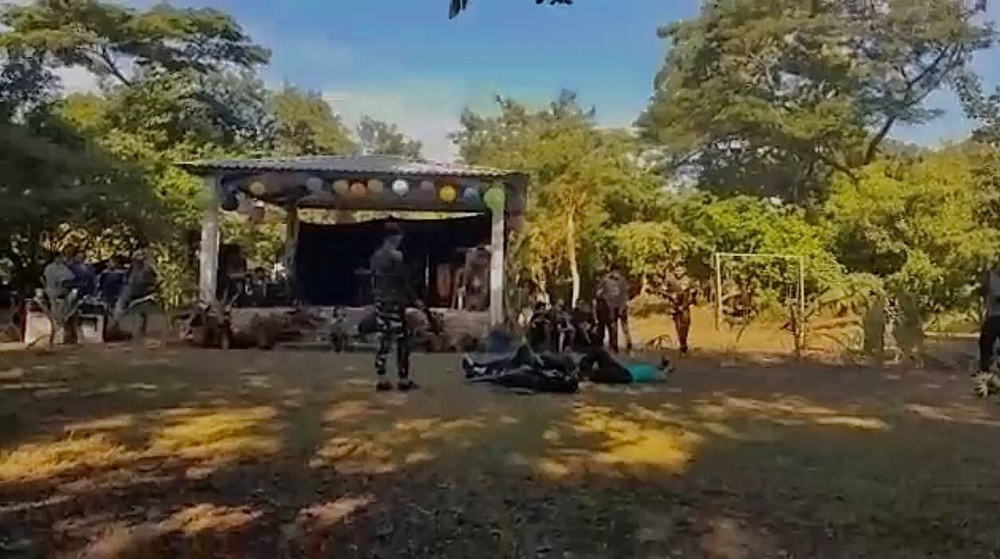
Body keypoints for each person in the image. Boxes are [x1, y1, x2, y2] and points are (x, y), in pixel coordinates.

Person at [370, 222, 420, 392]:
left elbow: (374, 281)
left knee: (383, 339)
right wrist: (415, 299)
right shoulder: (396, 256)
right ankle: (403, 379)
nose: (400, 240)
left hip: (380, 301)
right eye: (399, 237)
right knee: (402, 340)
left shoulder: (375, 257)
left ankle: (382, 377)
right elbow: (402, 281)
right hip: (395, 302)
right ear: (392, 237)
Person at [577, 346, 674, 384]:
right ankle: (584, 369)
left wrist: (668, 369)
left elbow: (663, 376)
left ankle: (583, 376)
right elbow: (660, 366)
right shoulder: (652, 368)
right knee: (599, 351)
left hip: (627, 377)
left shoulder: (659, 375)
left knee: (603, 373)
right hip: (622, 370)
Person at [115, 250, 157, 337]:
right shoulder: (132, 268)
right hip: (129, 289)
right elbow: (126, 278)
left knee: (140, 309)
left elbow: (154, 280)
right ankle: (116, 324)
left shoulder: (147, 269)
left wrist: (150, 288)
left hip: (141, 290)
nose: (135, 262)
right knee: (121, 303)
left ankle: (140, 328)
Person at [595, 266, 633, 353]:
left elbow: (598, 293)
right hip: (618, 305)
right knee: (619, 326)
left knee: (613, 326)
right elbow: (626, 294)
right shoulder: (622, 280)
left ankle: (615, 346)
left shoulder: (605, 280)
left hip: (611, 306)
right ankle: (622, 345)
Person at [663, 265, 697, 355]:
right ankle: (682, 343)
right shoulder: (669, 279)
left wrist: (686, 304)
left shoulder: (688, 280)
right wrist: (670, 295)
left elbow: (693, 294)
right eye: (676, 270)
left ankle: (684, 342)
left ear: (684, 271)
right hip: (674, 305)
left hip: (685, 305)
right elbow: (662, 290)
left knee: (686, 324)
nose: (678, 272)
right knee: (678, 325)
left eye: (680, 270)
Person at [978, 258, 1000, 373]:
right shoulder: (990, 276)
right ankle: (985, 370)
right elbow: (982, 292)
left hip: (993, 317)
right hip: (993, 317)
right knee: (985, 344)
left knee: (986, 343)